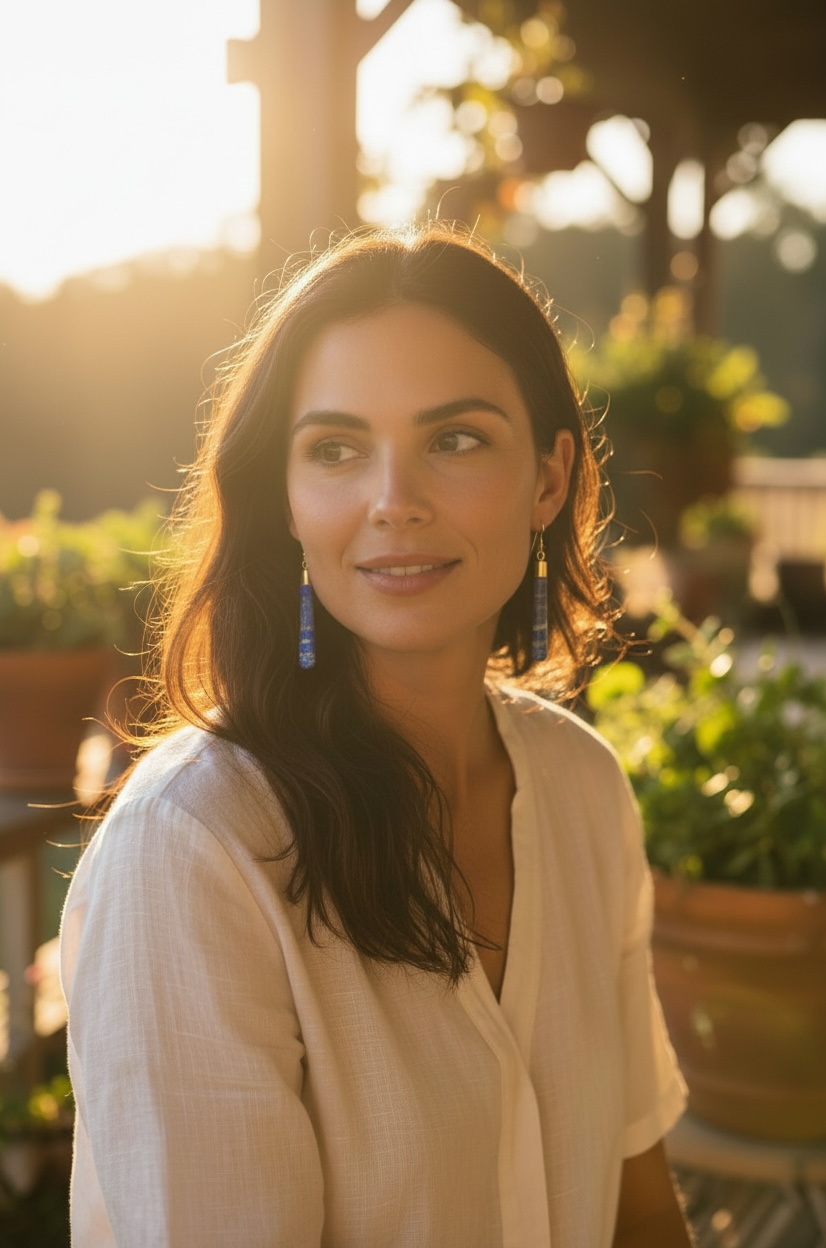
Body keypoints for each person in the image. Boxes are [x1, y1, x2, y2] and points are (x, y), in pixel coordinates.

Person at [60, 223, 692, 1247]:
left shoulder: (579, 786)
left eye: (454, 439)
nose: (392, 502)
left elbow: (642, 1211)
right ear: (289, 499)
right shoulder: (193, 851)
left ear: (547, 478)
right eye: (336, 449)